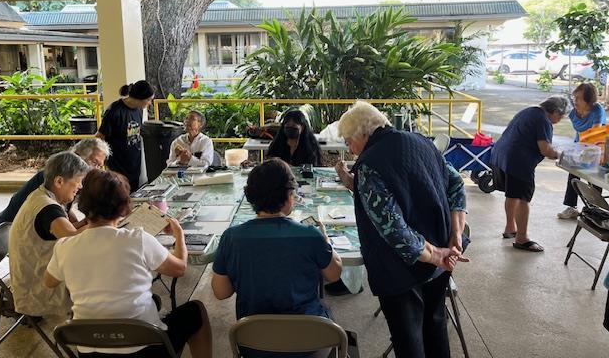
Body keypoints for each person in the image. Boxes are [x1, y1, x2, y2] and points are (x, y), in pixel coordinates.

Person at [335, 101, 469, 358]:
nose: (349, 149)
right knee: (435, 327)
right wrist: (456, 233)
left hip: (401, 271)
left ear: (363, 133)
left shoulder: (370, 164)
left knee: (409, 341)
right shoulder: (421, 142)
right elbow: (455, 184)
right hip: (440, 257)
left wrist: (435, 254)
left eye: (349, 141)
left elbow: (394, 230)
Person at [44, 169, 212, 357]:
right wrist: (179, 235)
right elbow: (179, 268)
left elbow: (49, 282)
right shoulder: (138, 239)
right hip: (146, 348)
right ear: (123, 207)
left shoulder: (64, 246)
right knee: (196, 311)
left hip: (90, 350)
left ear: (82, 205)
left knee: (154, 303)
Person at [212, 158, 342, 356]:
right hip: (307, 340)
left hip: (253, 342)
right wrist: (326, 241)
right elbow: (334, 274)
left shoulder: (231, 237)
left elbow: (221, 292)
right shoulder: (310, 235)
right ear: (289, 195)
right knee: (327, 312)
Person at [8, 151, 89, 317]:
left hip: (39, 272)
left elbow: (70, 230)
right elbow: (73, 240)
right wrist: (104, 222)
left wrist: (88, 222)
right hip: (37, 286)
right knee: (100, 275)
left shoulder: (42, 195)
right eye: (78, 181)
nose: (80, 187)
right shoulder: (48, 209)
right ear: (59, 181)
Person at [491, 96, 568, 252]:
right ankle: (522, 238)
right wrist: (562, 155)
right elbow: (545, 150)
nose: (559, 120)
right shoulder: (543, 120)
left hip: (501, 155)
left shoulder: (529, 111)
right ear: (555, 111)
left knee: (513, 194)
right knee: (523, 199)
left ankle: (510, 228)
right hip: (518, 160)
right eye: (560, 116)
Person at [0, 138, 110, 227]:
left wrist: (80, 223)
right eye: (94, 163)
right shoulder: (54, 179)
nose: (97, 171)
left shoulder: (69, 177)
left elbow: (65, 210)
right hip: (8, 231)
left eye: (100, 166)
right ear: (78, 157)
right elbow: (64, 229)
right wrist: (88, 224)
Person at [558, 83, 606, 219]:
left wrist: (584, 153)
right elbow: (556, 114)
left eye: (578, 98)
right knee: (573, 174)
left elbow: (595, 134)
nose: (575, 101)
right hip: (579, 145)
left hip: (597, 147)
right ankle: (571, 207)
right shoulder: (573, 111)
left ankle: (593, 210)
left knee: (594, 178)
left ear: (588, 100)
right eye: (574, 97)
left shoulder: (597, 110)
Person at [97, 80, 155, 191]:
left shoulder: (139, 109)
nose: (149, 104)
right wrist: (102, 161)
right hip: (118, 166)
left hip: (134, 164)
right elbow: (100, 136)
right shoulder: (114, 111)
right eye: (148, 100)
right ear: (139, 97)